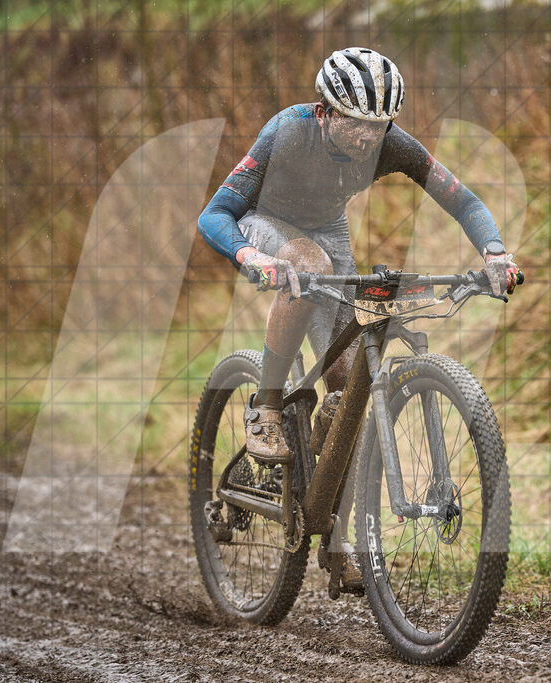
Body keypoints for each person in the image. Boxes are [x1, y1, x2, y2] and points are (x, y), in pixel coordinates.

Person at [197, 47, 520, 595]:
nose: (369, 137)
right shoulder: (287, 132)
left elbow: (464, 202)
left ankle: (336, 538)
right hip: (267, 226)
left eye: (379, 125)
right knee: (306, 265)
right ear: (324, 111)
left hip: (328, 232)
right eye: (355, 124)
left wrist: (494, 254)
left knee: (349, 389)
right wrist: (253, 259)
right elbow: (216, 214)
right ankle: (268, 406)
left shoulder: (393, 143)